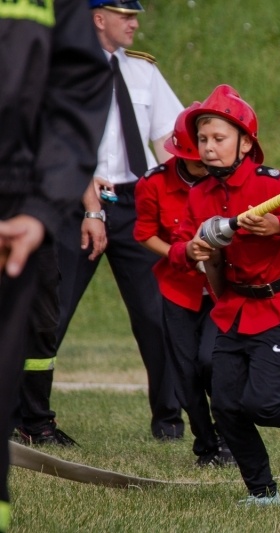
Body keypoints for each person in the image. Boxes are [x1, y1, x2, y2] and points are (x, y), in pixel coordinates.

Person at [15, 0, 187, 443]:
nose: (134, 23)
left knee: (156, 313)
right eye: (125, 15)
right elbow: (63, 142)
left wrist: (185, 197)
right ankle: (28, 415)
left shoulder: (143, 71)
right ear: (98, 18)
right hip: (76, 202)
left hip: (135, 202)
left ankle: (168, 418)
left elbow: (171, 139)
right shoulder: (61, 68)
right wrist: (91, 208)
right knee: (53, 312)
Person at [168, 85, 280, 506]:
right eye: (203, 140)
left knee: (262, 404)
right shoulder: (198, 194)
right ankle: (263, 493)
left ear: (246, 142)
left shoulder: (278, 183)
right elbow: (179, 244)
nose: (208, 148)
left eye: (219, 139)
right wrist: (190, 250)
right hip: (233, 309)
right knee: (226, 408)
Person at [0, 0, 113, 529]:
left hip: (18, 218)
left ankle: (34, 420)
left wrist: (44, 206)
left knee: (38, 330)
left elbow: (75, 92)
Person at [133, 103, 236, 467]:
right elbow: (144, 232)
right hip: (178, 288)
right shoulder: (153, 183)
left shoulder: (226, 183)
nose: (205, 164)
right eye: (196, 161)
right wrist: (182, 253)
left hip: (219, 289)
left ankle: (228, 439)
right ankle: (205, 446)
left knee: (213, 362)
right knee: (185, 372)